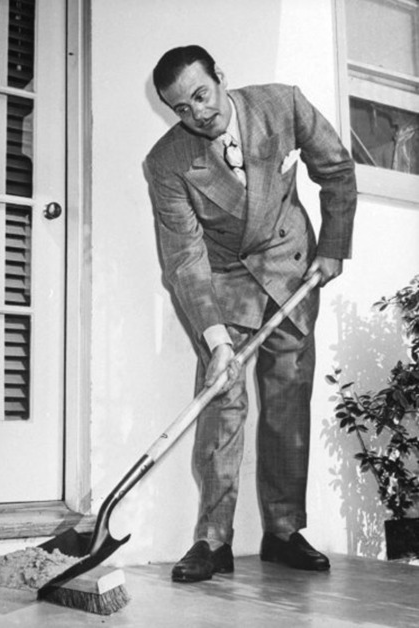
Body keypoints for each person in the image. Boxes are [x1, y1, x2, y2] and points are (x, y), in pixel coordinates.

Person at [145, 45, 357, 582]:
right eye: (181, 109)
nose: (196, 113)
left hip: (291, 267)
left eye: (201, 95)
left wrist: (332, 247)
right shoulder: (166, 162)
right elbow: (184, 259)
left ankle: (284, 531)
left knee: (288, 399)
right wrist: (216, 342)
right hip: (224, 280)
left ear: (221, 76)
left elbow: (336, 169)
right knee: (222, 405)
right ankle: (212, 540)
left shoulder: (281, 105)